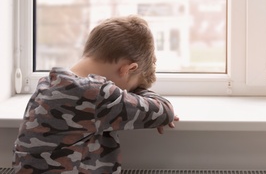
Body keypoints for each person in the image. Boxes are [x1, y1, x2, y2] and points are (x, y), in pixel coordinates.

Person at [13, 15, 179, 173]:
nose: (125, 94)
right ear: (128, 69)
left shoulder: (48, 83)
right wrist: (139, 91)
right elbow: (164, 110)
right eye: (128, 89)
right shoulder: (97, 93)